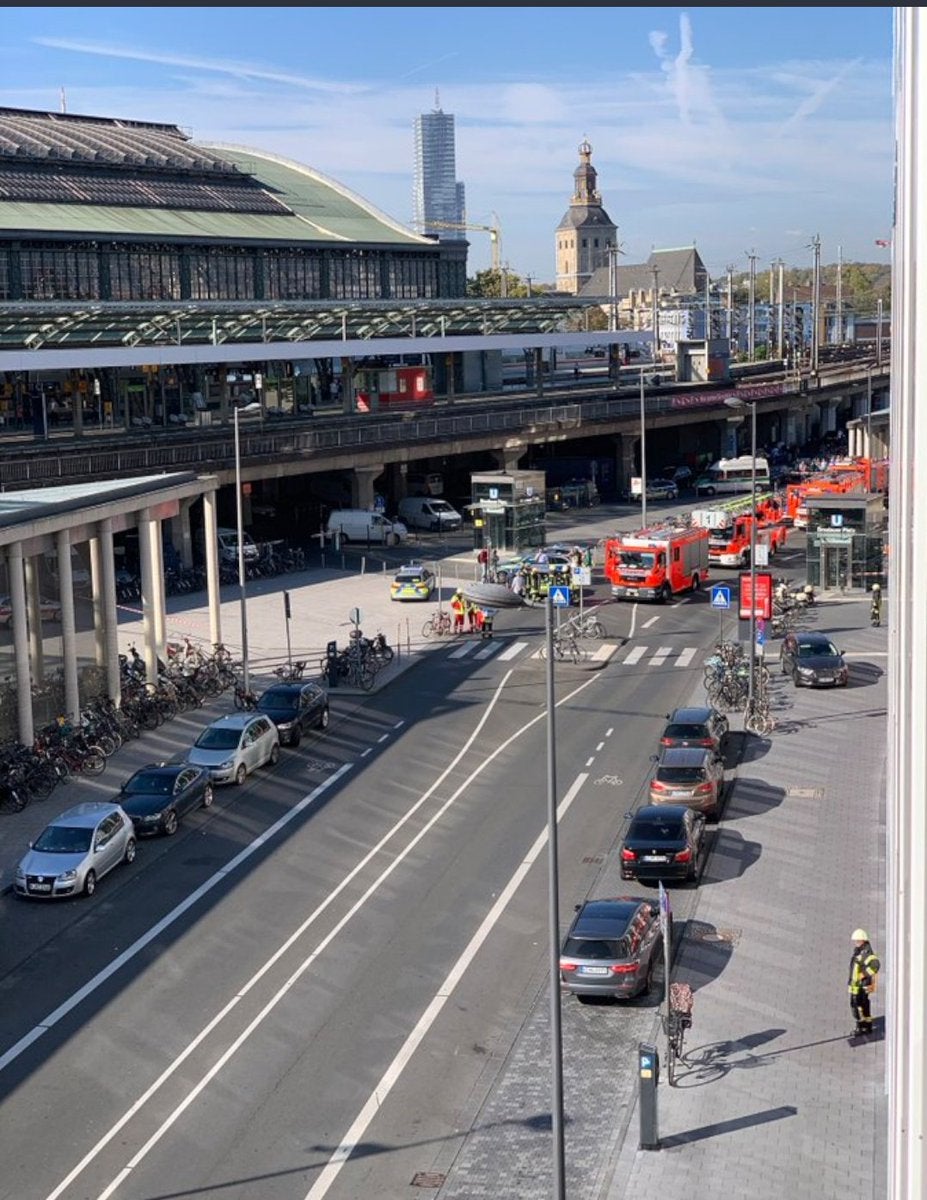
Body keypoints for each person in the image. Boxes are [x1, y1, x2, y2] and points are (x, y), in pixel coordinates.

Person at [848, 929, 881, 1036]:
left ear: (863, 940)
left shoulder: (865, 953)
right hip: (858, 984)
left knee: (857, 1005)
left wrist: (864, 975)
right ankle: (868, 1026)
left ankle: (860, 1027)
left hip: (861, 985)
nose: (855, 943)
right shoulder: (861, 950)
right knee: (863, 1004)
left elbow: (875, 965)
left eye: (857, 941)